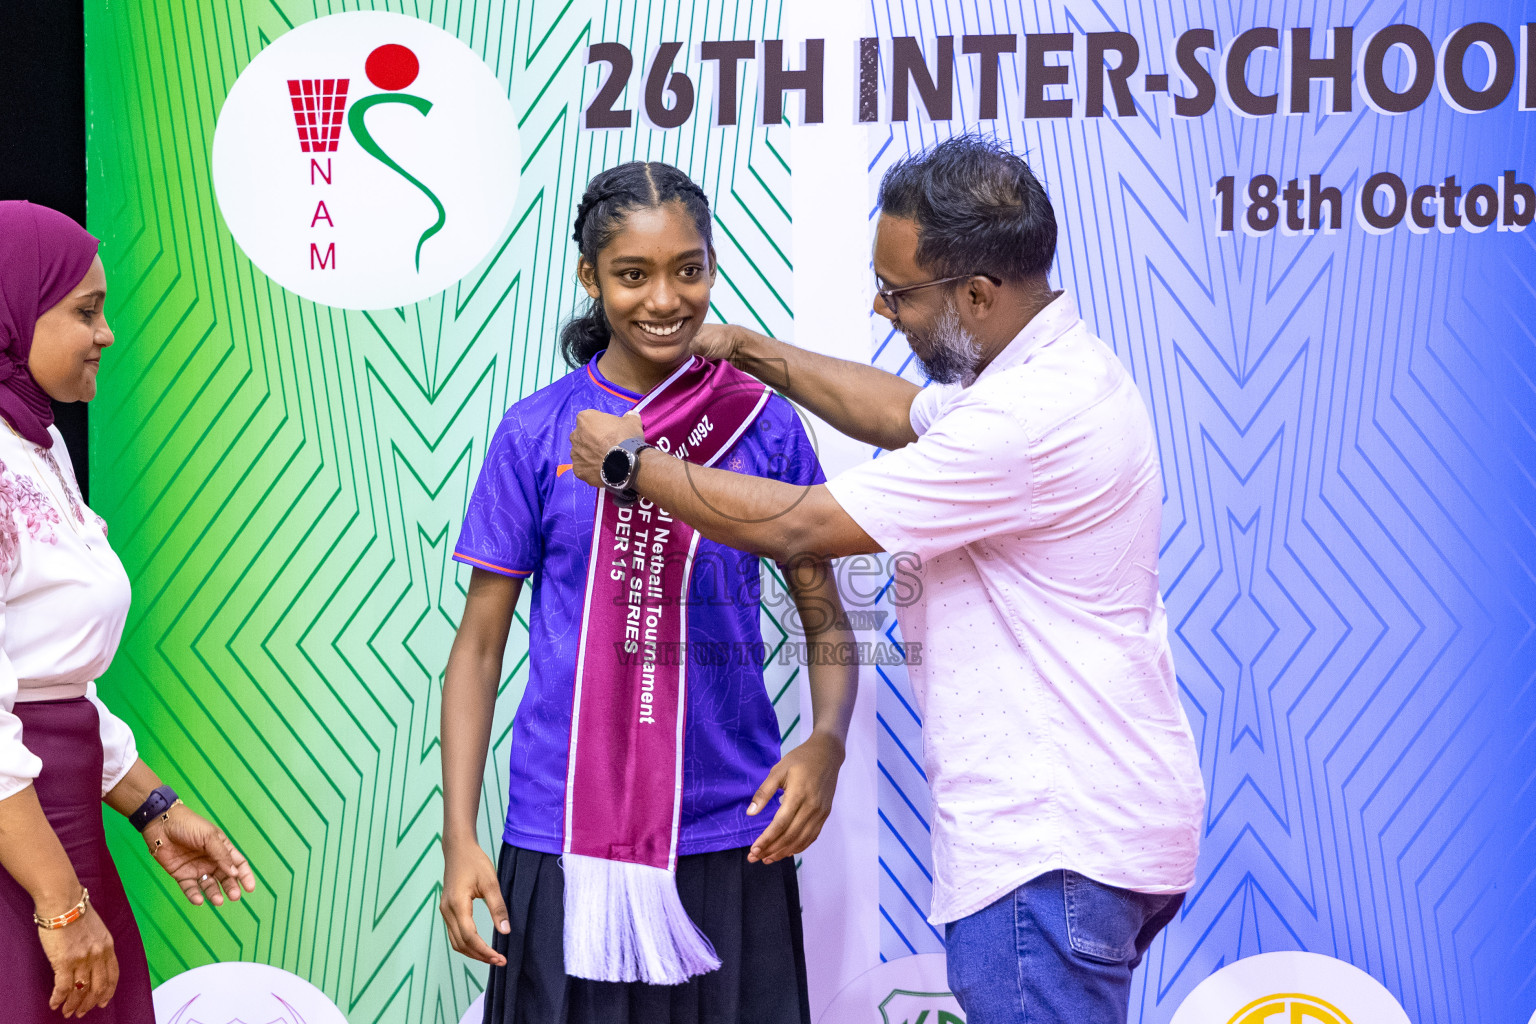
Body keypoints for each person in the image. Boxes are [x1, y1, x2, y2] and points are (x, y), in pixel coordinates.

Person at [568, 136, 1206, 1024]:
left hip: (1048, 850)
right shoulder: (1037, 373)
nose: (881, 307)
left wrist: (633, 464)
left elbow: (800, 525)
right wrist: (748, 350)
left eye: (898, 292)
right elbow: (901, 412)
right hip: (1086, 839)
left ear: (976, 295)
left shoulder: (1024, 421)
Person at [438, 161, 857, 1024]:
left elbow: (821, 605)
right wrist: (459, 836)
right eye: (633, 275)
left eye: (688, 270)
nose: (665, 299)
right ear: (590, 278)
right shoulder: (537, 433)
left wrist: (827, 739)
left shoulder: (761, 422)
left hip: (731, 824)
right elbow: (478, 650)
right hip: (565, 831)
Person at [0, 201, 258, 1022]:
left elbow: (53, 682)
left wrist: (153, 804)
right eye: (84, 310)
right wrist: (60, 905)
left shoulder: (35, 446)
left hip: (57, 832)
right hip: (26, 845)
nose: (106, 332)